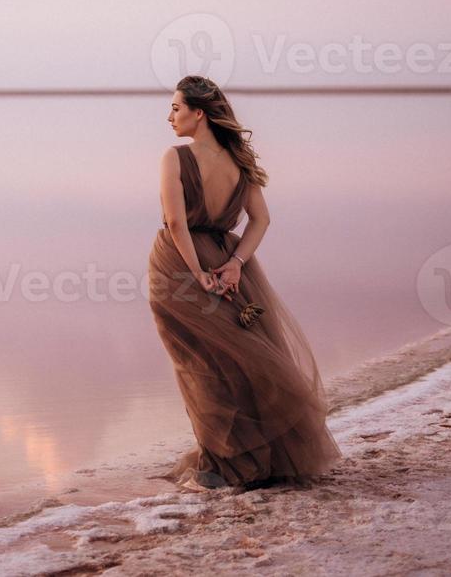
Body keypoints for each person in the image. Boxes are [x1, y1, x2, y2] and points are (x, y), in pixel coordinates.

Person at [147, 75, 344, 492]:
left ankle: (220, 463)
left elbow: (177, 222)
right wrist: (236, 263)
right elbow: (262, 219)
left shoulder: (174, 157)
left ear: (199, 113)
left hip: (179, 267)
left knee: (200, 365)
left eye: (176, 108)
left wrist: (198, 273)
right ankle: (252, 456)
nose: (169, 117)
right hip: (230, 261)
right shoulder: (239, 159)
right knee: (237, 361)